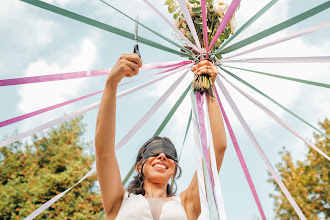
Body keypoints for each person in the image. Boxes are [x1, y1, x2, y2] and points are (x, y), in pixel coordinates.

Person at [95, 53, 227, 220]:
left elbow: (218, 147)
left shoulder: (187, 204)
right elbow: (103, 152)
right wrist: (111, 83)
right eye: (153, 152)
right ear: (139, 166)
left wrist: (210, 89)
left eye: (170, 155)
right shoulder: (120, 201)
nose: (163, 155)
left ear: (174, 170)